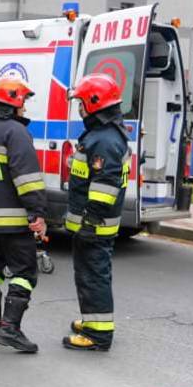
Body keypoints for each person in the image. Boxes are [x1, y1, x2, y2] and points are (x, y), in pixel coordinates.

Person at [0, 76, 47, 353]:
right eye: (23, 101)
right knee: (24, 273)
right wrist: (37, 213)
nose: (25, 107)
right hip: (15, 221)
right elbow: (27, 178)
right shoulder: (15, 132)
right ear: (13, 101)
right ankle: (10, 329)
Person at [63, 73, 130, 352]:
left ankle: (98, 335)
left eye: (81, 102)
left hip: (95, 224)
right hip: (92, 223)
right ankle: (91, 322)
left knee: (93, 275)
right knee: (88, 273)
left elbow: (105, 187)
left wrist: (89, 221)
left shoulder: (104, 140)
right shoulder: (101, 135)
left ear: (94, 103)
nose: (79, 107)